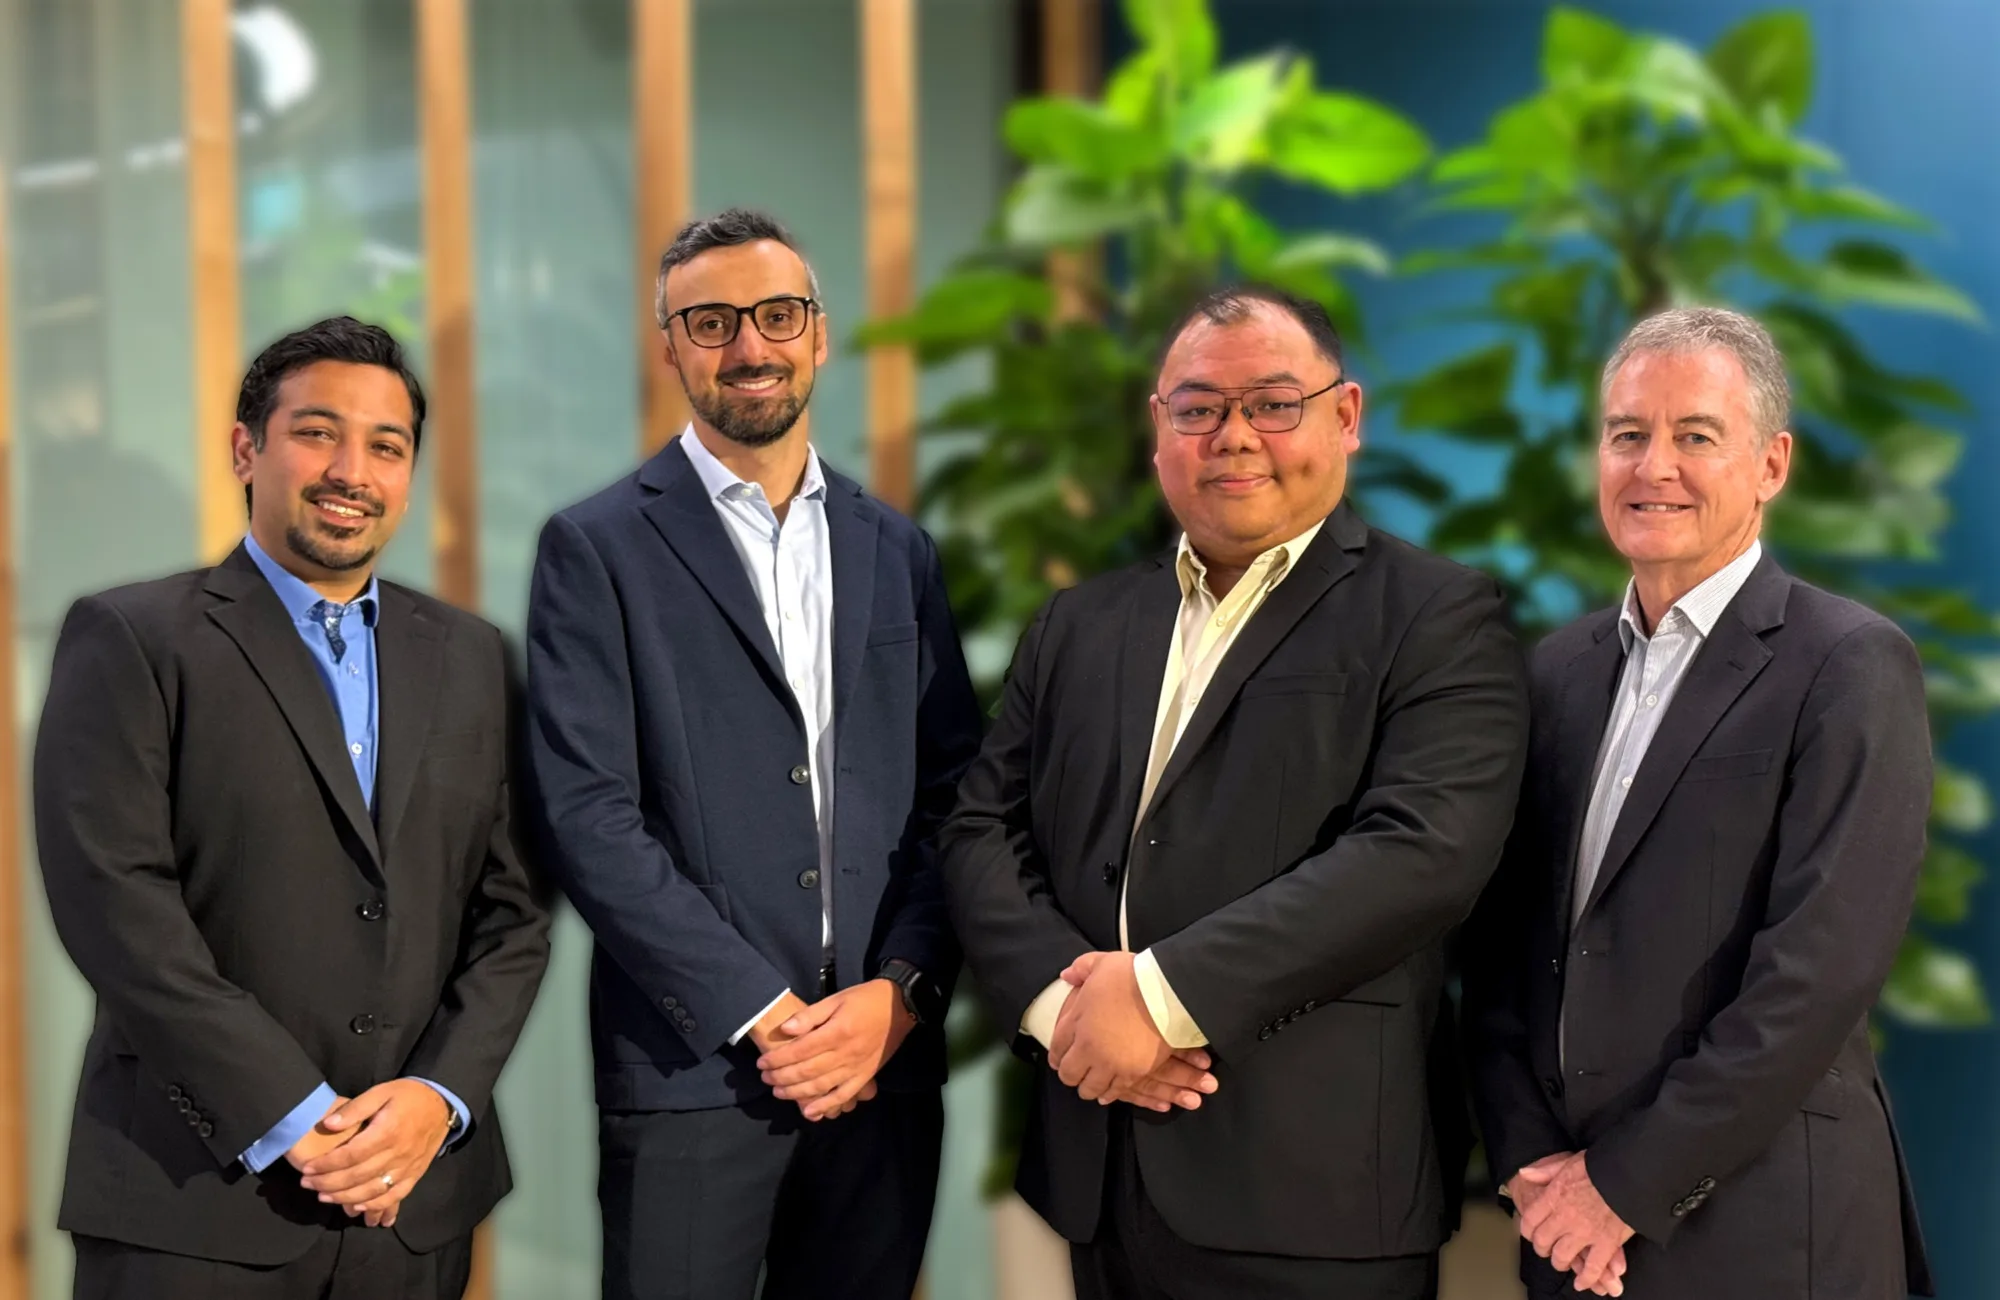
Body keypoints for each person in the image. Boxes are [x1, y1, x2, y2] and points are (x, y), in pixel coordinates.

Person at [939, 284, 1530, 1300]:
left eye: (1273, 403)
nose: (1234, 436)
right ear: (1158, 427)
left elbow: (1421, 853)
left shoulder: (1437, 615)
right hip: (1100, 1163)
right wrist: (1066, 1010)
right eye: (1199, 408)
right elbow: (980, 828)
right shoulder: (1080, 624)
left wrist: (1158, 999)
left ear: (1346, 415)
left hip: (1309, 1192)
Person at [33, 316, 552, 1299]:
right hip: (193, 1203)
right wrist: (293, 1112)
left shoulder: (473, 657)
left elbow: (514, 912)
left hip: (414, 1205)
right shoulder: (134, 638)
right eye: (317, 433)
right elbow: (116, 907)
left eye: (386, 446)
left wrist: (437, 1097)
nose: (351, 470)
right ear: (246, 449)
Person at [524, 208, 982, 1300]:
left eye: (776, 315)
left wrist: (900, 994)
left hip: (880, 1067)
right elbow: (587, 816)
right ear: (670, 349)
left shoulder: (897, 549)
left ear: (818, 333)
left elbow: (955, 799)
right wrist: (764, 1013)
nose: (748, 345)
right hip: (696, 1070)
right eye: (711, 322)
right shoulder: (594, 548)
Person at [1461, 306, 1935, 1300]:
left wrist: (1620, 1188)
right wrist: (1529, 1164)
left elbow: (1816, 975)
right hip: (1567, 1235)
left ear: (1769, 465)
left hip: (1766, 1235)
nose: (1653, 466)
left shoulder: (1847, 664)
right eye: (1627, 434)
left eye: (1695, 436)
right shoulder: (1554, 673)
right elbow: (1502, 948)